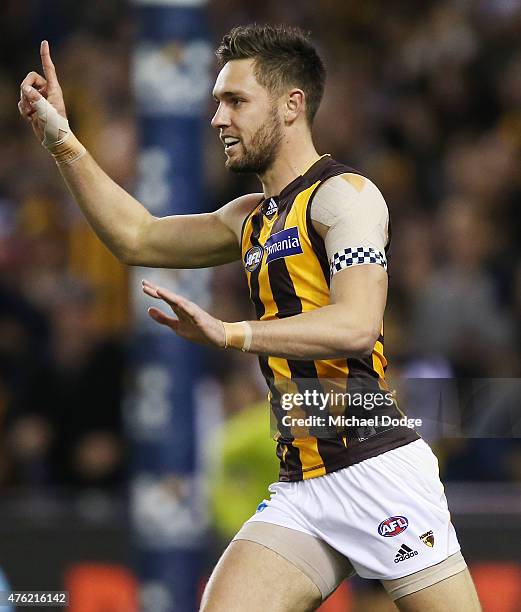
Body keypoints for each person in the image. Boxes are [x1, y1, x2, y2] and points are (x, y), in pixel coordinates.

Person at [19, 24, 481, 612]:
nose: (218, 118)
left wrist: (231, 332)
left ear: (292, 106)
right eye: (217, 102)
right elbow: (137, 236)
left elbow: (358, 324)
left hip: (376, 465)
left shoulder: (347, 198)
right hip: (304, 481)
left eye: (235, 101)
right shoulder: (249, 218)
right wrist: (63, 140)